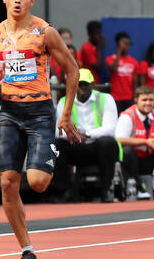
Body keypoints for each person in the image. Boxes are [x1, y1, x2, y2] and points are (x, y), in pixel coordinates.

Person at [0, 0, 81, 259]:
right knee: (8, 183)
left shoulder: (44, 33)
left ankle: (47, 151)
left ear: (32, 0)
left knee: (37, 183)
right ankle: (27, 249)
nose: (18, 0)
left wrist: (66, 113)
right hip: (10, 113)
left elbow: (72, 70)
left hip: (39, 112)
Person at [50, 69, 118, 204]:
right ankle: (64, 191)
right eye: (78, 84)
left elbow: (111, 128)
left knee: (108, 143)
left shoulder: (106, 99)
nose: (82, 88)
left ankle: (106, 190)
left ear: (92, 84)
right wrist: (73, 136)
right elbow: (58, 131)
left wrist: (87, 134)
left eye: (85, 84)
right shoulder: (63, 102)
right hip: (75, 145)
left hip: (96, 145)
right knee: (56, 145)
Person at [105, 31, 141, 113]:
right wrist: (119, 51)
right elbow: (113, 68)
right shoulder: (110, 59)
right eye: (124, 43)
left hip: (129, 98)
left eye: (128, 44)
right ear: (118, 44)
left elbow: (135, 82)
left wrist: (136, 96)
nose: (127, 46)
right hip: (116, 97)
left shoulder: (134, 62)